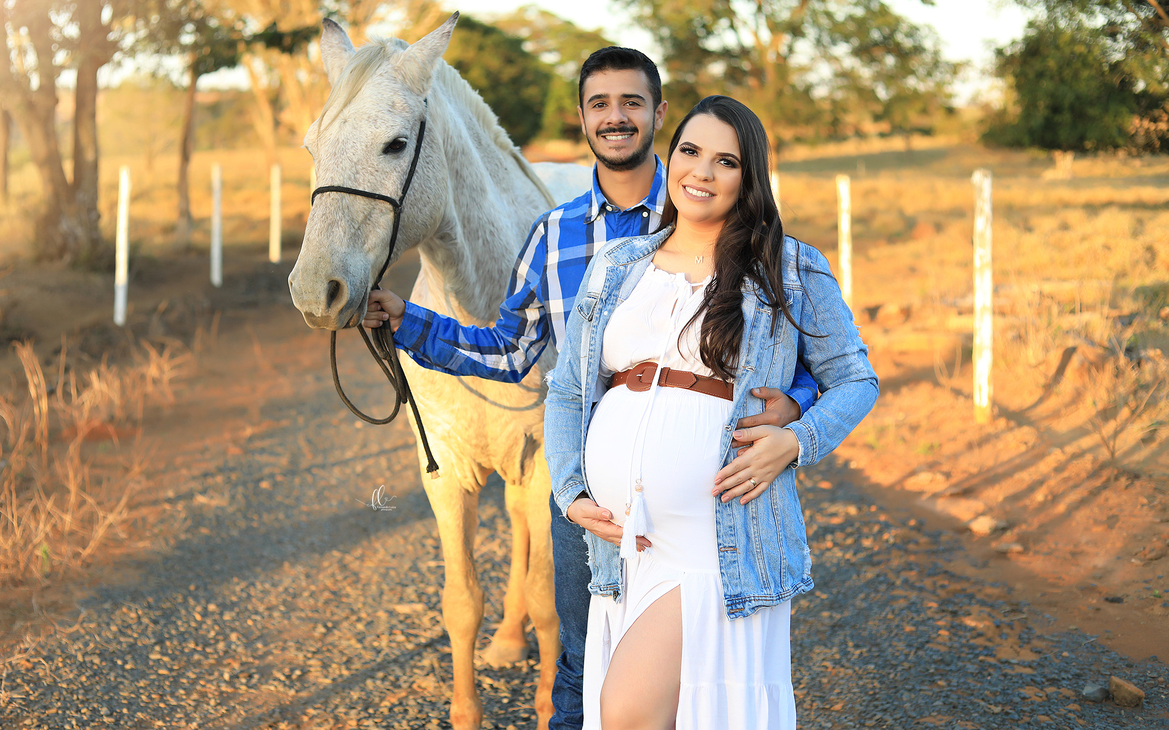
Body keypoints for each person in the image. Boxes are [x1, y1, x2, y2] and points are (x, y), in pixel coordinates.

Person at [362, 49, 819, 730]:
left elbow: (814, 357)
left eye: (632, 102)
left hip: (706, 497)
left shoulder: (719, 218)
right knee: (584, 662)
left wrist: (797, 411)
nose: (616, 116)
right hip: (589, 493)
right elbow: (513, 348)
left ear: (660, 116)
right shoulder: (553, 235)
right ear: (582, 119)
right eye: (600, 103)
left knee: (706, 676)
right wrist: (410, 324)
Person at [544, 95, 879, 730]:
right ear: (670, 157)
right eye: (690, 152)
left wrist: (797, 441)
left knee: (627, 713)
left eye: (726, 161)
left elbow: (856, 380)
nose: (702, 172)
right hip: (623, 541)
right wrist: (568, 488)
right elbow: (566, 390)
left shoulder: (791, 267)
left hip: (713, 539)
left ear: (749, 178)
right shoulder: (619, 264)